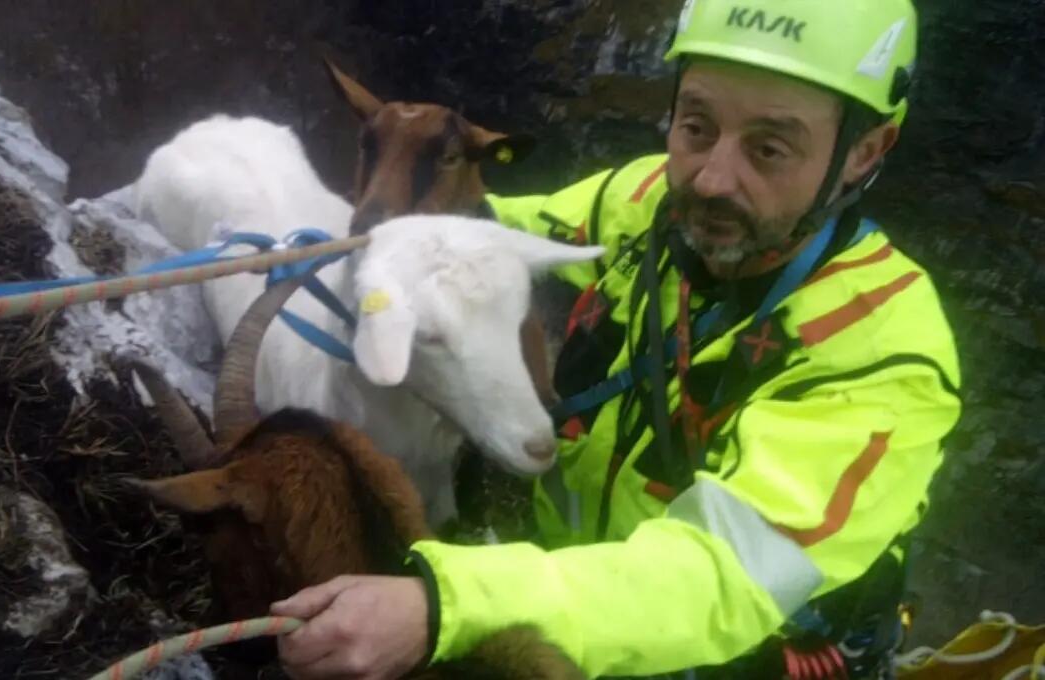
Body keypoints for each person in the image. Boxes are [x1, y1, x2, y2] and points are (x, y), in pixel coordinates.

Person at [270, 0, 963, 678]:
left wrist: (450, 603)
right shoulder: (645, 201)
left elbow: (719, 577)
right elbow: (497, 228)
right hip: (566, 588)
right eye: (696, 127)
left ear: (864, 152)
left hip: (724, 653)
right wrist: (379, 236)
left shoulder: (883, 359)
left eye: (769, 148)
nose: (711, 179)